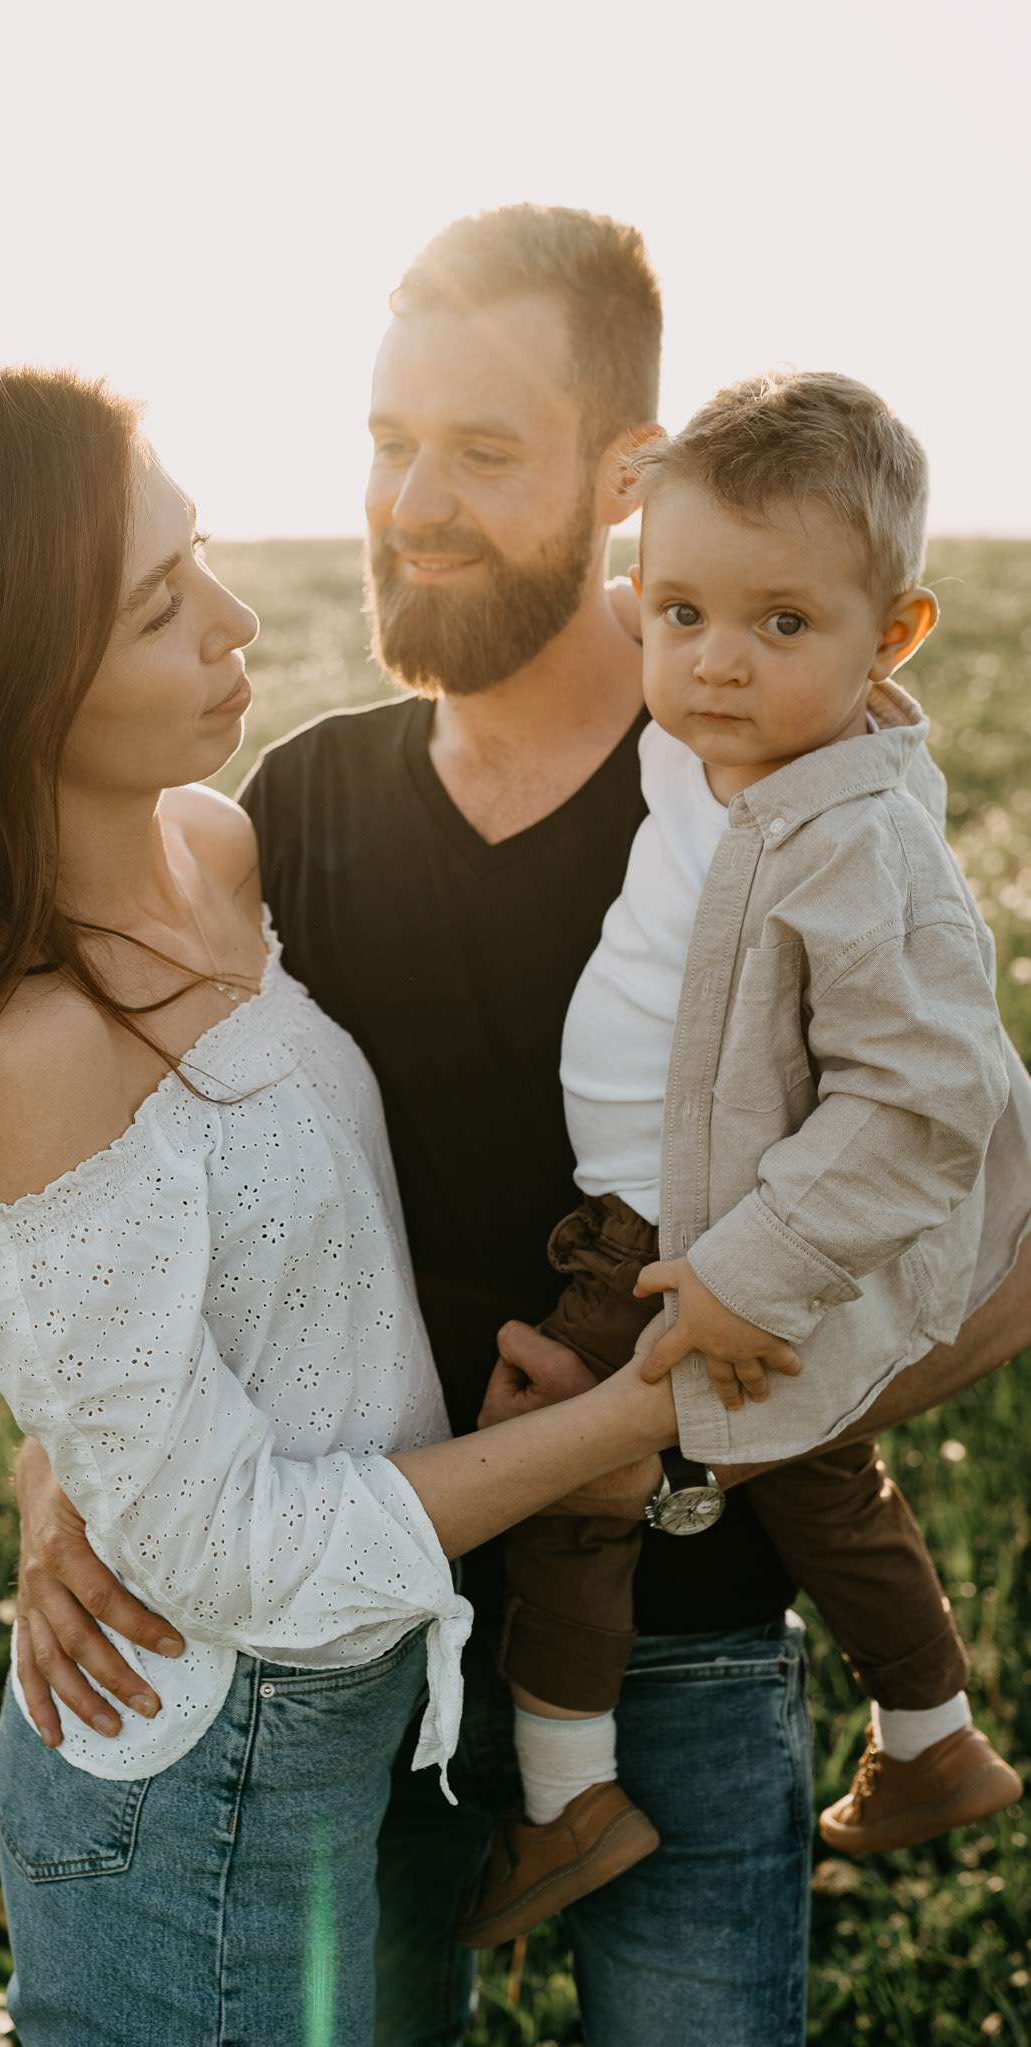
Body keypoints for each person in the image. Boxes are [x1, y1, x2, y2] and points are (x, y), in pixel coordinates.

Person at [10, 207, 1031, 2047]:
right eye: (387, 441)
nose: (412, 503)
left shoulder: (768, 804)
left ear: (625, 480)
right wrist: (56, 1471)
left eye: (482, 451)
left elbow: (994, 1223)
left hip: (691, 1636)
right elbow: (118, 1183)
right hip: (361, 1663)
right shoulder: (296, 801)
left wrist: (676, 1423)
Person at [0, 361, 689, 2047]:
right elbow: (223, 1552)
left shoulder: (211, 853)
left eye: (203, 556)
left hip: (374, 1711)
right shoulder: (25, 1048)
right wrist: (630, 1421)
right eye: (160, 607)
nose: (236, 622)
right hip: (204, 1792)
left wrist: (72, 1467)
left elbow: (206, 1315)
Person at [461, 370, 1025, 1949]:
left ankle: (566, 1802)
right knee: (817, 1477)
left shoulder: (853, 838)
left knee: (573, 1480)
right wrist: (628, 515)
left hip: (689, 1234)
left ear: (890, 638)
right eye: (683, 614)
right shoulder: (707, 743)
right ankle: (930, 1737)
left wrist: (741, 1277)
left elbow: (919, 1100)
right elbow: (631, 601)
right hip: (673, 1208)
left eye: (783, 622)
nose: (716, 659)